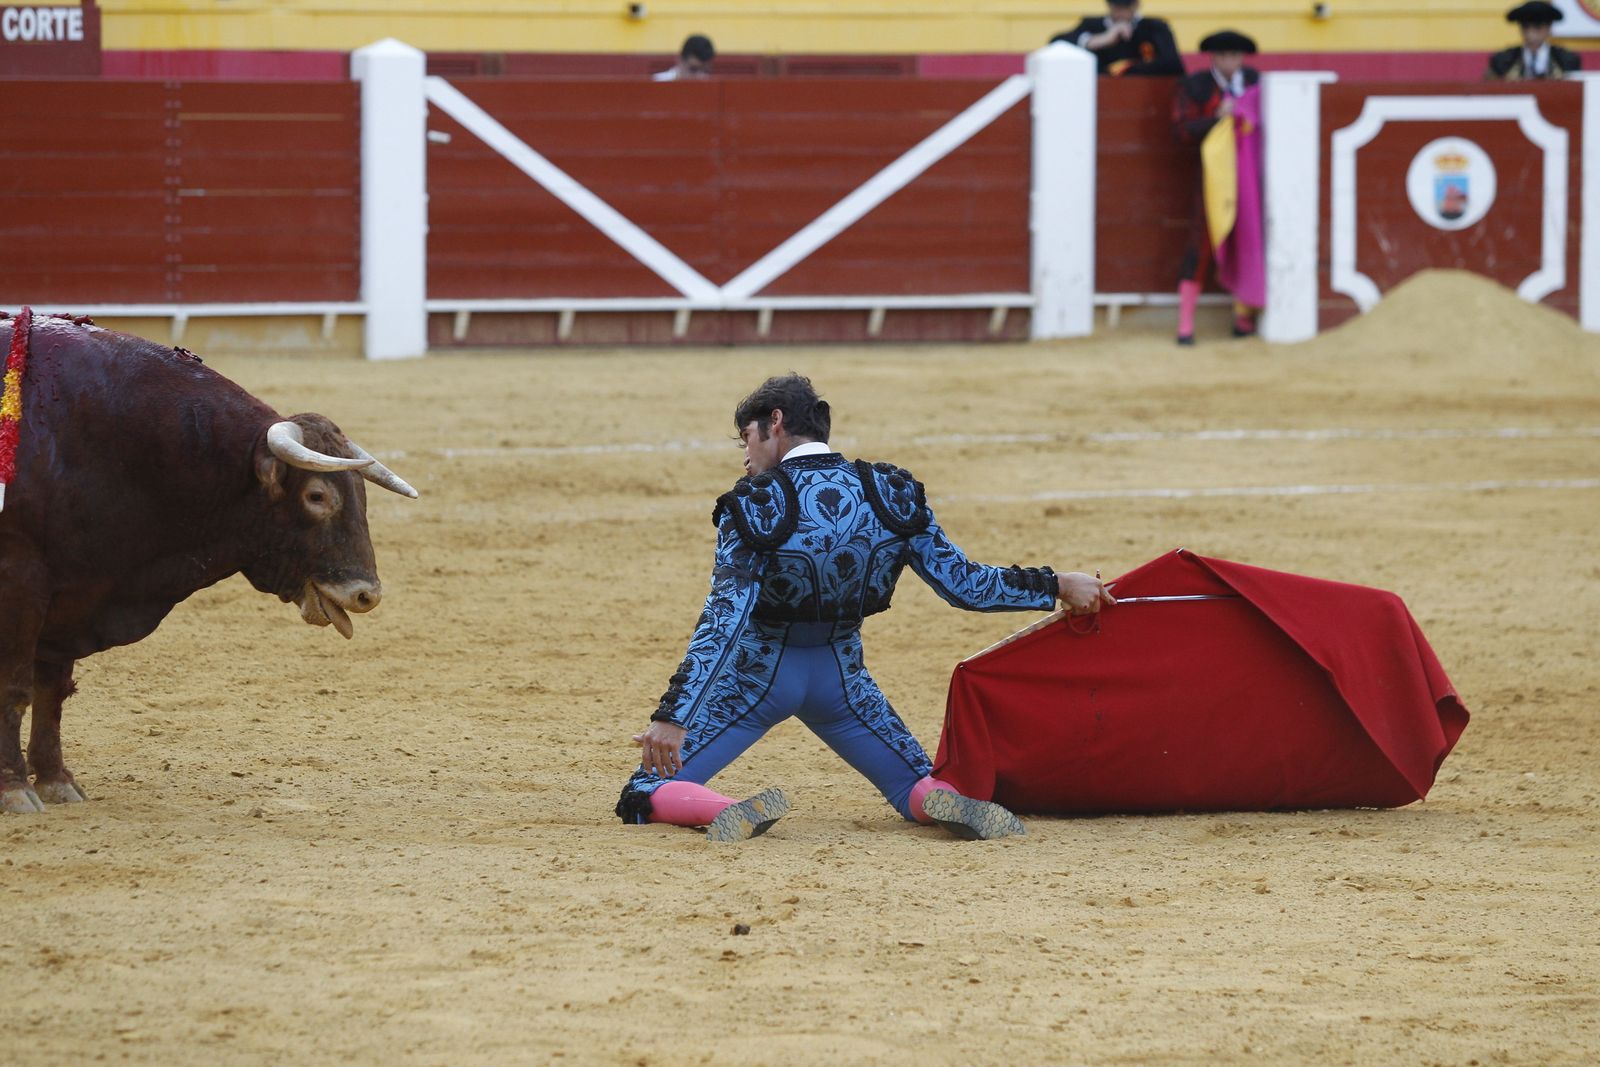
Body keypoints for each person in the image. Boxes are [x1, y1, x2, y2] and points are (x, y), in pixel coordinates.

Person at [615, 375, 1114, 842]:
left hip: (758, 678)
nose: (744, 457)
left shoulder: (755, 503)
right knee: (915, 787)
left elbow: (726, 617)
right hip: (842, 683)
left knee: (644, 792)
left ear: (776, 422)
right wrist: (1056, 584)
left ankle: (723, 809)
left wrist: (673, 715)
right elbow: (965, 585)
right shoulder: (889, 494)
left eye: (746, 438)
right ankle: (944, 800)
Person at [1172, 29, 1264, 345]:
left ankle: (1243, 316)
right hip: (1211, 176)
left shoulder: (1255, 82)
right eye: (1224, 56)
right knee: (1201, 243)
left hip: (1252, 176)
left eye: (1235, 56)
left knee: (1248, 239)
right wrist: (1217, 119)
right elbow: (1181, 130)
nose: (1230, 62)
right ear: (1214, 57)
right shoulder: (1195, 86)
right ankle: (1185, 324)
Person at [1051, 0, 1183, 77]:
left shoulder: (1153, 28)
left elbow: (1173, 64)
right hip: (1100, 95)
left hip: (1144, 95)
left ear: (1135, 6)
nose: (1121, 13)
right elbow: (1056, 43)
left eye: (1125, 7)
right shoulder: (1092, 26)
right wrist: (1098, 40)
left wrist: (1127, 69)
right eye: (1117, 7)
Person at [1486, 2, 1581, 80]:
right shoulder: (1502, 60)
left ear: (1549, 29)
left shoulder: (1567, 60)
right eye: (1525, 27)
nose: (1530, 34)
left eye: (1537, 28)